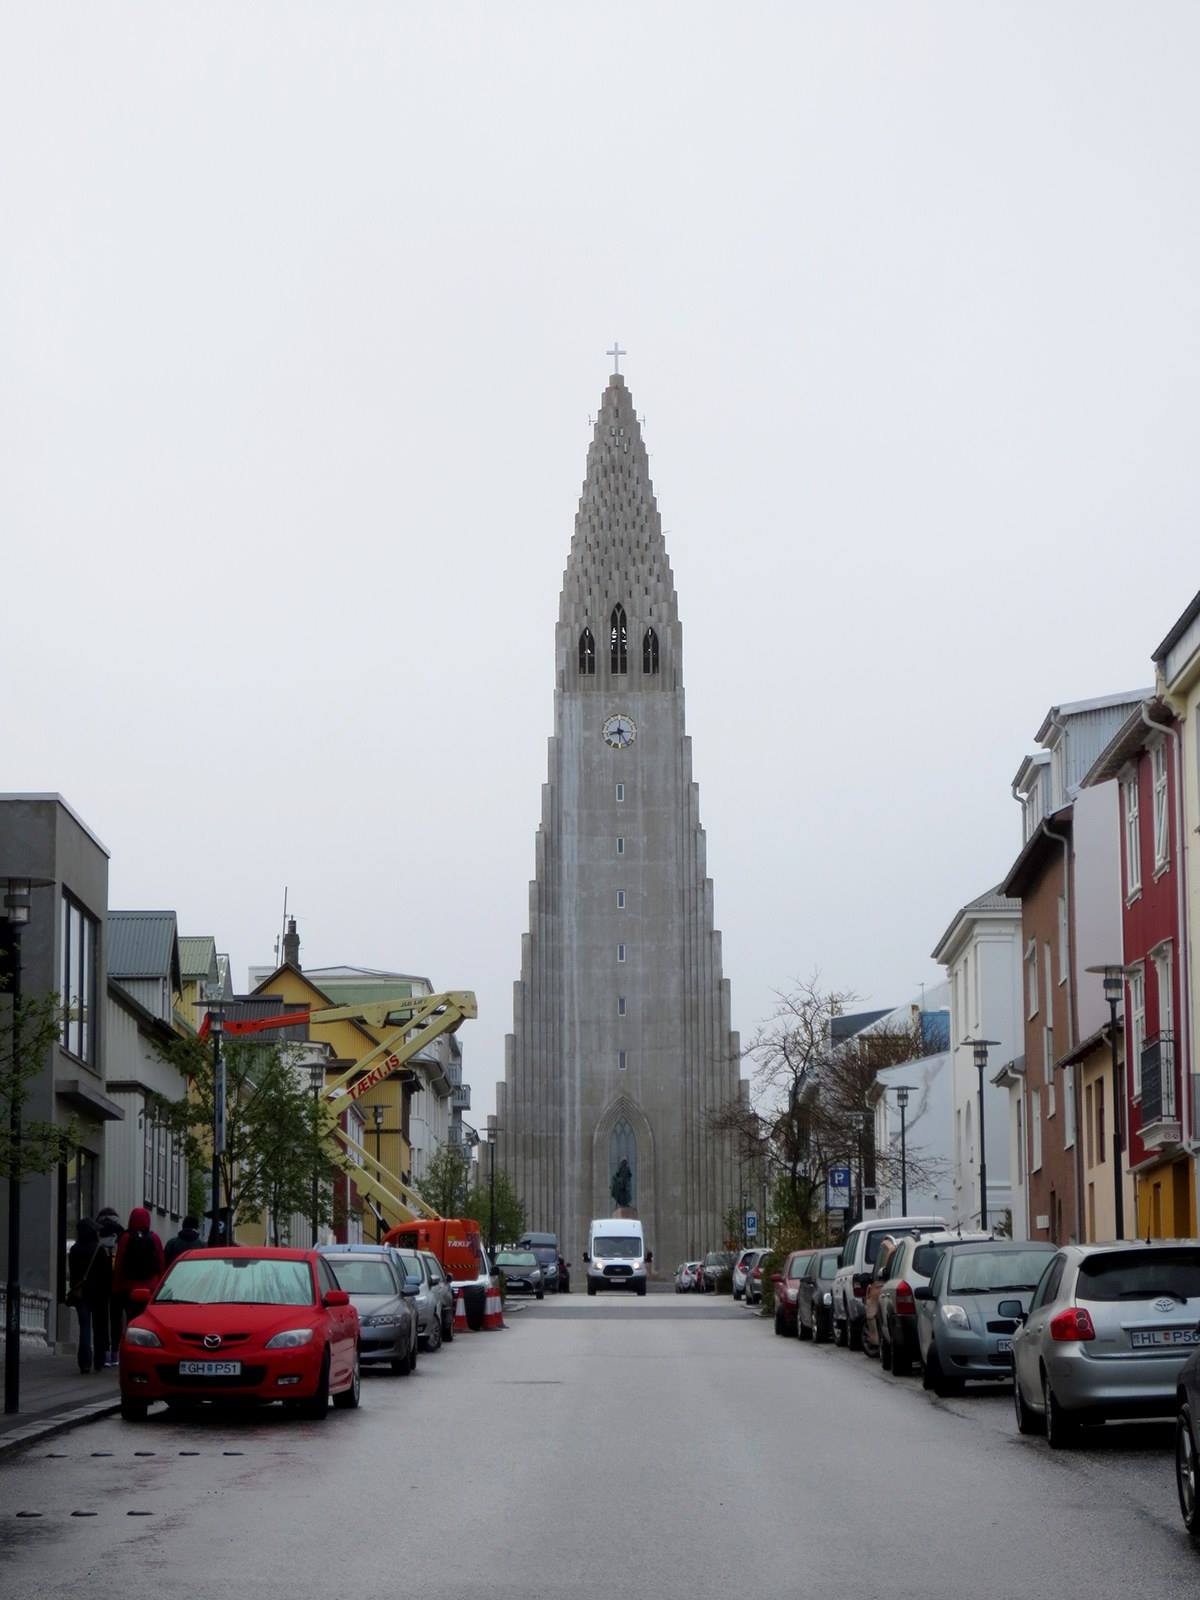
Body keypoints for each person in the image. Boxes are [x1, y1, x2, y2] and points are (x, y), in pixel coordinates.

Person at [67, 1218, 113, 1373]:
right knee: (99, 1327)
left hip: (81, 1294)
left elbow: (73, 1274)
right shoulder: (99, 1249)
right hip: (99, 1294)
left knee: (84, 1328)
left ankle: (84, 1362)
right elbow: (106, 1274)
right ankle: (99, 1361)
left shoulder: (74, 1250)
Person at [113, 1206, 165, 1320]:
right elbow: (161, 1262)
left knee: (131, 1318)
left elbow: (119, 1263)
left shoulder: (125, 1238)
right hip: (151, 1286)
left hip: (129, 1287)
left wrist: (117, 1286)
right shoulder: (154, 1238)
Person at [96, 1206, 125, 1367]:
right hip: (117, 1281)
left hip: (100, 1281)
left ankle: (104, 1353)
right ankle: (116, 1352)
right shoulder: (121, 1232)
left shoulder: (96, 1231)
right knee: (116, 1318)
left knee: (101, 1318)